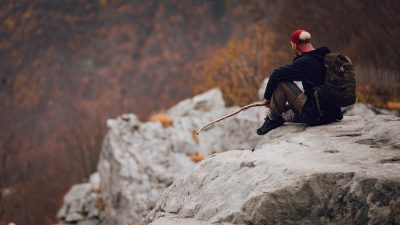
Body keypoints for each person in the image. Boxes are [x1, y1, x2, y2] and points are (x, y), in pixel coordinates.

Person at [257, 29, 343, 135]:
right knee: (292, 106)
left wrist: (267, 97)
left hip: (316, 116)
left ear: (295, 45)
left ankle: (273, 118)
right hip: (333, 114)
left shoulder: (304, 62)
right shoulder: (325, 56)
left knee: (281, 83)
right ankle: (286, 116)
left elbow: (276, 74)